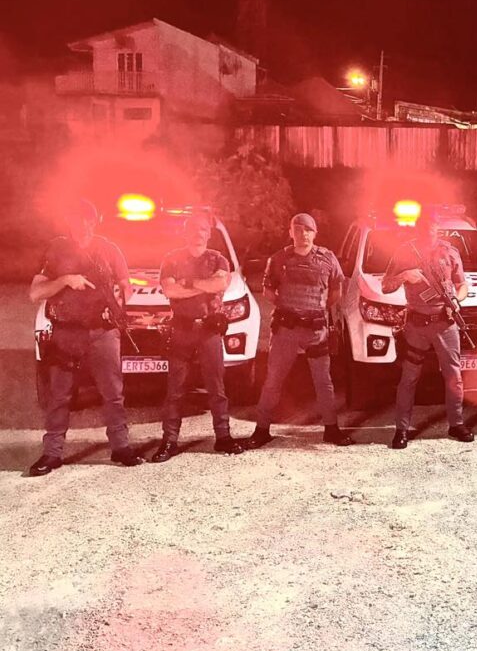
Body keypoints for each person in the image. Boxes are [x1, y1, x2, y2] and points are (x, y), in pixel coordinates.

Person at [27, 198, 142, 475]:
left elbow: (126, 285)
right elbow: (35, 293)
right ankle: (52, 453)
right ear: (69, 222)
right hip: (66, 333)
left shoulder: (109, 250)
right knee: (59, 396)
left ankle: (121, 447)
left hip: (102, 332)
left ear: (95, 221)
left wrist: (119, 298)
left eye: (87, 219)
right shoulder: (56, 250)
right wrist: (66, 280)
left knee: (113, 394)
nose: (81, 225)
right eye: (76, 219)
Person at [247, 213, 352, 447]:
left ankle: (332, 429)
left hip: (315, 331)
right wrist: (290, 309)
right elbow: (268, 291)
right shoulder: (278, 259)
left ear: (315, 233)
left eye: (307, 230)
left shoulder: (327, 258)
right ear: (290, 232)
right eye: (298, 229)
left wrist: (315, 310)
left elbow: (336, 291)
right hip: (287, 330)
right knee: (273, 380)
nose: (303, 234)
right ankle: (261, 430)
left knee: (323, 382)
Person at [151, 213, 242, 462]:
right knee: (175, 390)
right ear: (185, 232)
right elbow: (170, 290)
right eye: (192, 229)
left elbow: (219, 285)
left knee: (216, 388)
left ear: (208, 234)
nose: (197, 233)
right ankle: (169, 441)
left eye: (202, 229)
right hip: (181, 330)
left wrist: (189, 283)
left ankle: (223, 437)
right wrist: (203, 284)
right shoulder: (172, 259)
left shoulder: (218, 259)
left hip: (209, 331)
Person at [382, 209, 475, 449]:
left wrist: (457, 300)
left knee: (454, 376)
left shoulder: (450, 251)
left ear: (438, 227)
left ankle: (456, 424)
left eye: (432, 224)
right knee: (409, 378)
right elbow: (386, 286)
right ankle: (402, 429)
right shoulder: (404, 251)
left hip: (445, 323)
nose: (428, 228)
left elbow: (462, 284)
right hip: (417, 326)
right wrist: (405, 275)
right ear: (417, 226)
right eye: (423, 224)